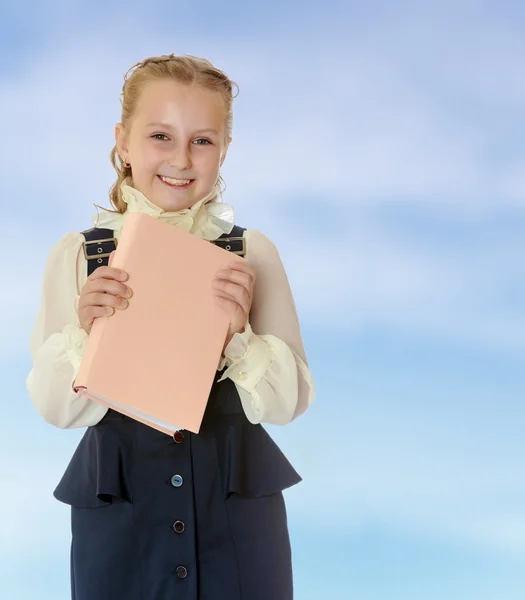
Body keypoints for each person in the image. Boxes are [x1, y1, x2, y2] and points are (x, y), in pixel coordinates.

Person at [26, 53, 315, 600]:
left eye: (202, 141)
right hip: (121, 516)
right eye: (161, 135)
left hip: (235, 517)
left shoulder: (251, 255)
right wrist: (89, 334)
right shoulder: (77, 257)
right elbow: (54, 407)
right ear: (123, 141)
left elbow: (289, 402)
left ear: (224, 148)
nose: (181, 159)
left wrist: (239, 338)